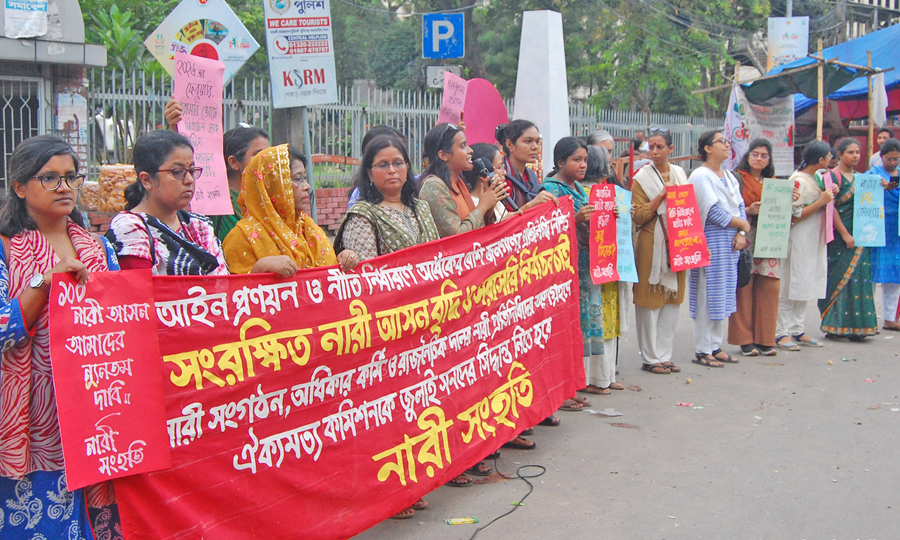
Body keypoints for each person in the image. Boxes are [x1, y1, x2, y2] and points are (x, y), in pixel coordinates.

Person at [0, 135, 121, 539]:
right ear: (20, 187)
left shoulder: (99, 249)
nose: (64, 187)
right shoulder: (4, 249)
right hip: (33, 419)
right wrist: (44, 282)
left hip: (97, 410)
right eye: (49, 178)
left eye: (71, 177)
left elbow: (125, 320)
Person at [544, 137, 624, 396]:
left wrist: (609, 216)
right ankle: (567, 387)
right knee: (568, 325)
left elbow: (593, 224)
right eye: (576, 160)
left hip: (587, 266)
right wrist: (575, 219)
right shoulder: (550, 189)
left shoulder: (578, 188)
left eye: (585, 160)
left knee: (584, 323)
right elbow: (546, 231)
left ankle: (583, 380)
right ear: (560, 162)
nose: (582, 165)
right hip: (565, 270)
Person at [106, 130, 229, 276]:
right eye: (177, 172)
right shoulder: (130, 229)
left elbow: (222, 283)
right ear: (146, 180)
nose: (189, 180)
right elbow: (141, 287)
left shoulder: (199, 226)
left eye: (191, 171)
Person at [223, 144, 358, 275]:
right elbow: (230, 287)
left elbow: (329, 276)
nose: (307, 186)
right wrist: (260, 268)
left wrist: (343, 260)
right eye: (298, 179)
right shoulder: (241, 237)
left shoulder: (307, 227)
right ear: (273, 185)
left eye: (304, 178)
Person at [164, 99, 270, 241]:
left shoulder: (267, 201)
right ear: (233, 162)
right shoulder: (214, 202)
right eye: (259, 154)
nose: (267, 161)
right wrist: (175, 128)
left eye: (268, 155)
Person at [689, 130, 750, 367]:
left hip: (731, 242)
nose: (726, 145)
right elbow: (712, 211)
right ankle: (703, 349)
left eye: (727, 141)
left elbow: (740, 205)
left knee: (722, 294)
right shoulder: (701, 175)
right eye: (721, 141)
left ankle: (715, 345)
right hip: (710, 240)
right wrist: (741, 225)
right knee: (706, 295)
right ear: (707, 148)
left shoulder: (730, 177)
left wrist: (742, 233)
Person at [631, 129, 687, 374]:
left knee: (672, 302)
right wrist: (663, 195)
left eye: (659, 147)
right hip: (650, 243)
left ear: (670, 149)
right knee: (649, 302)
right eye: (651, 147)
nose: (654, 152)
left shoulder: (680, 174)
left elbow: (687, 207)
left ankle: (665, 355)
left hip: (678, 241)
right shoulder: (641, 178)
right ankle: (650, 357)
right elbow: (639, 216)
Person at [776, 141, 836, 351]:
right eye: (828, 156)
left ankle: (797, 329)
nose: (831, 159)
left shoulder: (817, 177)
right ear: (820, 160)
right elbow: (794, 216)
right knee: (790, 285)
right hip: (798, 239)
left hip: (812, 239)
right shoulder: (798, 181)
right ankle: (780, 332)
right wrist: (821, 201)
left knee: (805, 283)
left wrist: (830, 193)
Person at [818, 138, 878, 340]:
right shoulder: (832, 177)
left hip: (861, 236)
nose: (855, 156)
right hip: (839, 237)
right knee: (837, 277)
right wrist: (844, 233)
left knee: (858, 279)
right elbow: (831, 207)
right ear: (840, 154)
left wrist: (881, 186)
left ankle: (858, 327)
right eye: (851, 152)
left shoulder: (862, 178)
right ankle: (834, 325)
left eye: (858, 152)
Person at [728, 139, 780, 356]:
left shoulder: (775, 184)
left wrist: (791, 200)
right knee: (744, 286)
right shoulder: (736, 179)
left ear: (769, 160)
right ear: (748, 156)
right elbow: (728, 207)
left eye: (764, 156)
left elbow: (787, 212)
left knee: (769, 287)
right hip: (745, 236)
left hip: (771, 238)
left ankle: (765, 339)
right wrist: (749, 210)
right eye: (755, 154)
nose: (759, 159)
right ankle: (745, 340)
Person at [418, 123, 509, 236]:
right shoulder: (434, 186)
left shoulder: (459, 183)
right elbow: (456, 236)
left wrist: (489, 206)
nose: (470, 150)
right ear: (443, 155)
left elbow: (481, 230)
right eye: (463, 146)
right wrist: (483, 206)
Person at [868, 138, 900, 330]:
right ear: (881, 157)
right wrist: (878, 186)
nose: (893, 162)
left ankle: (890, 317)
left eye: (896, 159)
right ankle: (868, 318)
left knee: (895, 273)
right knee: (871, 272)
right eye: (889, 159)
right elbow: (862, 193)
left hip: (897, 231)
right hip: (877, 228)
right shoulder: (873, 174)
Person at [347, 125, 407, 210]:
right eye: (383, 164)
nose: (392, 170)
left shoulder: (418, 205)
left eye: (398, 163)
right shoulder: (361, 209)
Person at [495, 120, 547, 211]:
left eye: (537, 141)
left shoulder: (531, 175)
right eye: (528, 141)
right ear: (510, 144)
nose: (535, 147)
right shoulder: (501, 177)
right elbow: (502, 217)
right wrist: (531, 205)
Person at [460, 143, 509, 222]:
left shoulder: (496, 201)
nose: (504, 172)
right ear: (485, 173)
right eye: (499, 167)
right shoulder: (473, 205)